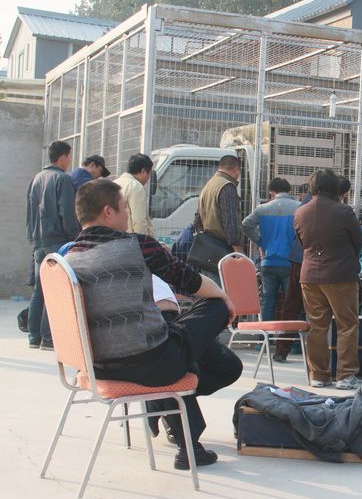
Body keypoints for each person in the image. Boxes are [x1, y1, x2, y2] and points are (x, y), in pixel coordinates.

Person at [64, 179, 242, 469]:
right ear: (108, 211)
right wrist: (224, 298)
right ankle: (177, 427)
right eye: (124, 207)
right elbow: (190, 281)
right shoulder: (138, 245)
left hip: (97, 367)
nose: (127, 214)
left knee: (179, 345)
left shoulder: (68, 261)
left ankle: (174, 423)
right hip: (152, 362)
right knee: (215, 310)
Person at [294, 169, 362, 390]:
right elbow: (358, 242)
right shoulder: (344, 212)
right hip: (341, 274)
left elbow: (301, 241)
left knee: (317, 326)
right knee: (347, 325)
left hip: (310, 275)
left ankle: (318, 374)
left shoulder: (300, 212)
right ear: (335, 187)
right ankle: (345, 375)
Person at [25, 140, 82, 350]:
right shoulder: (62, 179)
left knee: (39, 290)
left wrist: (33, 238)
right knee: (56, 290)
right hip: (57, 241)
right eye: (69, 156)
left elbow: (29, 213)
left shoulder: (36, 178)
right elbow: (67, 213)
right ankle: (49, 339)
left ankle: (34, 337)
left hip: (38, 242)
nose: (70, 160)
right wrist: (75, 238)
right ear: (63, 157)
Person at [242, 177, 302, 323]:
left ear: (272, 192)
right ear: (289, 191)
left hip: (268, 262)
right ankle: (291, 336)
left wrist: (260, 241)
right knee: (292, 301)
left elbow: (246, 225)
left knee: (268, 299)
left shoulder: (262, 209)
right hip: (291, 263)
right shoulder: (300, 208)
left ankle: (265, 333)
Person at [194, 155, 243, 283]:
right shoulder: (227, 186)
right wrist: (238, 251)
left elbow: (197, 220)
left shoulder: (208, 185)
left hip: (207, 249)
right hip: (223, 251)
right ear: (236, 169)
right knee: (223, 290)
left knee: (209, 289)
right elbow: (230, 221)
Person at [114, 153, 155, 236]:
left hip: (114, 237)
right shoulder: (136, 187)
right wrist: (143, 241)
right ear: (143, 171)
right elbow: (139, 220)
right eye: (149, 174)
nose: (149, 178)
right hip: (130, 240)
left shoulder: (114, 183)